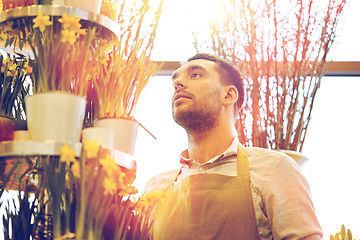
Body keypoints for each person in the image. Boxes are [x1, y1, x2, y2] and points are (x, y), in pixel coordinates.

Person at [144, 53, 323, 240]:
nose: (178, 83)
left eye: (195, 75)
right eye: (176, 79)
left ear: (228, 95)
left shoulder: (274, 170)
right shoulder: (156, 188)